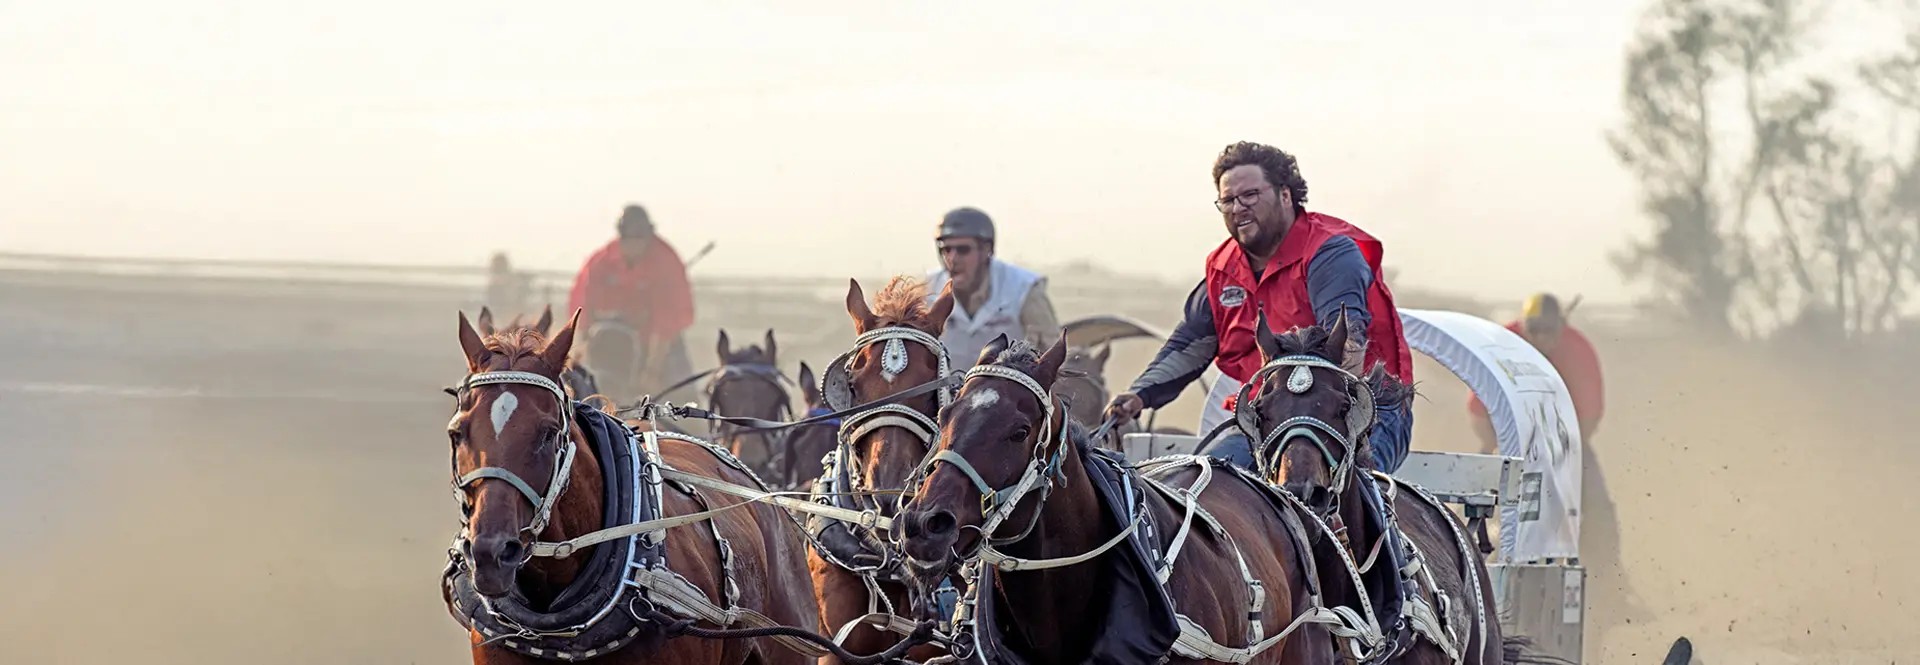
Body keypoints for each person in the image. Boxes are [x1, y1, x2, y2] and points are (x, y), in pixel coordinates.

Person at [1103, 141, 1417, 473]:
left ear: (1285, 195)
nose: (1238, 208)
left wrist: (1323, 431)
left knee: (1344, 490)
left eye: (1250, 195)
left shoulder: (1330, 253)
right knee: (1212, 485)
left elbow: (1347, 340)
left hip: (1364, 408)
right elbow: (1189, 345)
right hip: (1275, 412)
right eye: (1227, 200)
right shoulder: (1223, 270)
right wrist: (1138, 396)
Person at [565, 204, 696, 397]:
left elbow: (666, 321)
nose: (633, 245)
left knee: (683, 395)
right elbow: (583, 306)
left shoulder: (666, 262)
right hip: (609, 342)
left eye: (639, 239)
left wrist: (652, 371)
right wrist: (583, 352)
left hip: (658, 344)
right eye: (628, 239)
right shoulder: (601, 260)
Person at [924, 206, 1063, 367]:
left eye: (963, 250)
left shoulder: (1023, 288)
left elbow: (1053, 357)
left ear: (987, 250)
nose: (952, 258)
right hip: (946, 390)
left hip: (1009, 389)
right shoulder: (928, 291)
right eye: (946, 249)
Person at [1468, 292, 1605, 452]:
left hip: (1564, 436)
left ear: (1561, 328)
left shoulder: (1579, 351)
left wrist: (1563, 449)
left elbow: (1590, 413)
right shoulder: (1500, 345)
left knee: (1588, 473)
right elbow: (1477, 407)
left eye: (1548, 330)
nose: (1541, 337)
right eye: (1534, 330)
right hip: (1508, 434)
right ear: (1523, 327)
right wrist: (1493, 442)